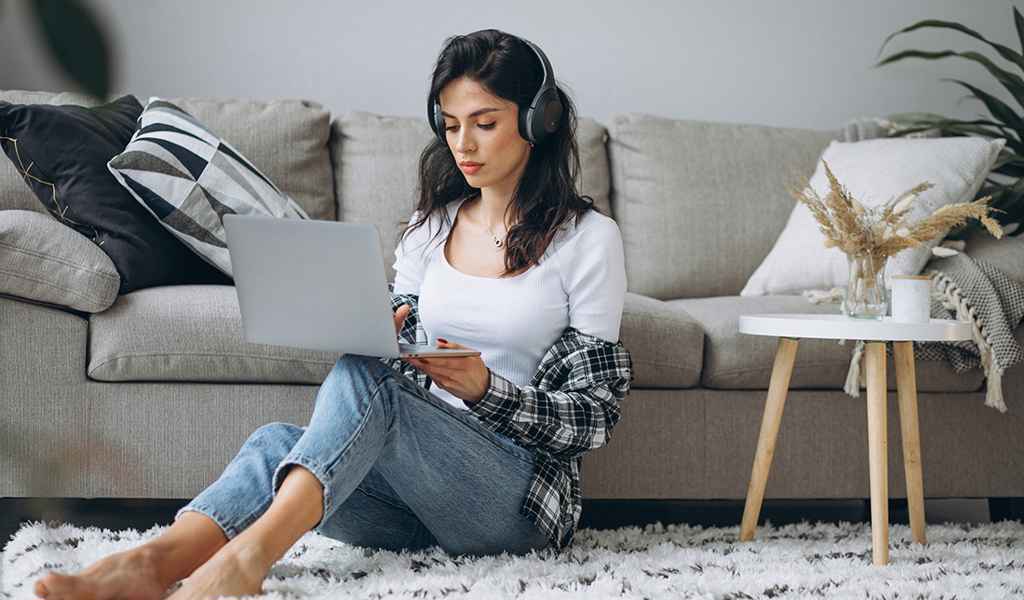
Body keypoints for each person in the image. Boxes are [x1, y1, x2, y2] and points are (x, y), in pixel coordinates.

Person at [32, 28, 633, 600]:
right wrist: (369, 324)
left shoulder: (587, 240)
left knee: (372, 385)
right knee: (279, 441)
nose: (463, 145)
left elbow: (595, 419)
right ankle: (147, 564)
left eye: (485, 123)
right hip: (413, 505)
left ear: (538, 122)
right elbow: (396, 335)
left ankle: (249, 558)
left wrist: (486, 390)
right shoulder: (432, 228)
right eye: (450, 126)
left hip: (512, 504)